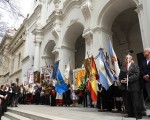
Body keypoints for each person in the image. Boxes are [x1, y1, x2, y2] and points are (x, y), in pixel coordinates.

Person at [120, 55, 142, 119]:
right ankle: (130, 114)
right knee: (128, 101)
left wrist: (128, 79)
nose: (126, 59)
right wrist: (121, 80)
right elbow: (120, 75)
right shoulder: (123, 66)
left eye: (127, 58)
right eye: (125, 58)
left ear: (131, 59)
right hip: (126, 87)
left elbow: (136, 75)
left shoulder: (135, 65)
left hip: (134, 86)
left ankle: (138, 115)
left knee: (136, 101)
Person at [140, 48, 150, 117]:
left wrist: (148, 75)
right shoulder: (143, 61)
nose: (143, 53)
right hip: (147, 81)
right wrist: (144, 76)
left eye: (144, 52)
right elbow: (141, 69)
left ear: (149, 52)